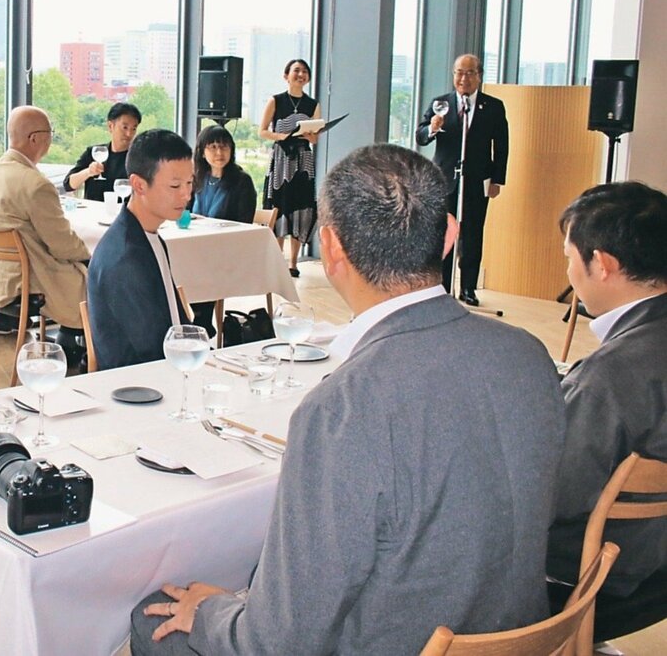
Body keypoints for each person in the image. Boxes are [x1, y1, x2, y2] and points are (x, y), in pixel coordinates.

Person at [130, 143, 566, 655]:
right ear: (450, 235)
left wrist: (213, 613)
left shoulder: (344, 408)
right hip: (510, 630)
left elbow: (277, 643)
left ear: (331, 248)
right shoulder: (528, 355)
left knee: (150, 615)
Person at [546, 183, 667, 608]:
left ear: (601, 263)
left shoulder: (610, 376)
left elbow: (555, 496)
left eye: (568, 257)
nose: (569, 273)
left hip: (597, 571)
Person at [0, 105, 89, 362]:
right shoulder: (35, 184)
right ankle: (83, 349)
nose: (51, 139)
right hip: (27, 279)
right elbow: (63, 245)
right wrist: (90, 256)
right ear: (35, 138)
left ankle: (68, 343)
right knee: (99, 278)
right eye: (50, 133)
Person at [87, 129, 192, 370]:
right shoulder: (125, 257)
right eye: (175, 186)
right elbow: (151, 351)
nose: (186, 194)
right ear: (139, 185)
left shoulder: (147, 235)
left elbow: (176, 324)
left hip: (166, 372)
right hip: (142, 389)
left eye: (189, 182)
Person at [415, 53, 508, 306]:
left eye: (469, 73)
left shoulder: (493, 107)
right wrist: (433, 127)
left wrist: (498, 179)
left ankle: (468, 287)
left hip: (477, 179)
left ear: (479, 76)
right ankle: (441, 287)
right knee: (443, 233)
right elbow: (421, 137)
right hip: (444, 179)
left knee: (473, 234)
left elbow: (501, 145)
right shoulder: (440, 104)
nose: (462, 78)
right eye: (458, 72)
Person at [187, 124, 257, 336]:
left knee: (203, 263)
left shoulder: (241, 181)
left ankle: (201, 321)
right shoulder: (198, 178)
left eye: (224, 147)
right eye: (213, 147)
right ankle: (192, 319)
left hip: (228, 249)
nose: (219, 153)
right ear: (202, 151)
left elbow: (244, 225)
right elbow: (185, 213)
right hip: (196, 245)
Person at [259, 59, 321, 278]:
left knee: (301, 207)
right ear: (286, 75)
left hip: (303, 160)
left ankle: (293, 262)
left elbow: (315, 139)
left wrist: (311, 135)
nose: (301, 74)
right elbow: (262, 131)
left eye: (305, 71)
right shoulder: (276, 100)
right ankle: (277, 261)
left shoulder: (312, 104)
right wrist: (281, 136)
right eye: (296, 71)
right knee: (280, 206)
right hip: (282, 158)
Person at [63, 102, 141, 201]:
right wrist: (88, 172)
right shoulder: (95, 152)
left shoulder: (138, 159)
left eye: (133, 129)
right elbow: (68, 185)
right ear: (110, 126)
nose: (129, 133)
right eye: (124, 127)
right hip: (93, 213)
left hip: (123, 214)